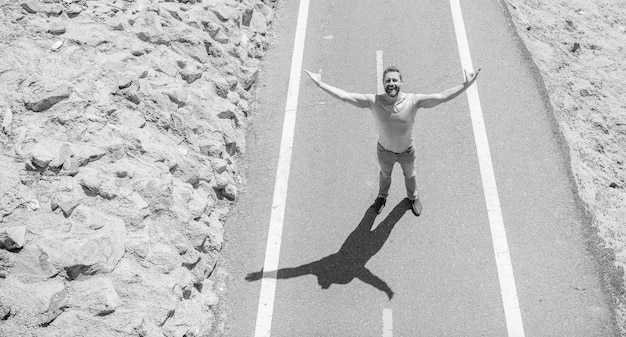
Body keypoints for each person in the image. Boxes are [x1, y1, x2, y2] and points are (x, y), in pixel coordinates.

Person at [303, 65, 481, 216]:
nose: (391, 83)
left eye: (395, 80)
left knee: (410, 175)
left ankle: (413, 197)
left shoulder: (413, 101)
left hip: (407, 151)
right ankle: (382, 196)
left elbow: (442, 97)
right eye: (387, 80)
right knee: (385, 175)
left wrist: (467, 84)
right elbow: (345, 96)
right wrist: (320, 84)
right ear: (383, 83)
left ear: (401, 82)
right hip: (385, 152)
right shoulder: (373, 101)